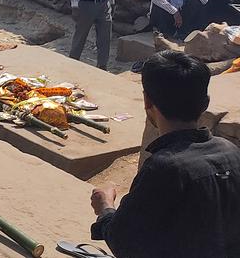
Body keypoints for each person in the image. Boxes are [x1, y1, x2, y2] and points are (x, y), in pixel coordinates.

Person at [89, 51, 240, 257]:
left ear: (147, 102)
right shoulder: (231, 152)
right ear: (205, 103)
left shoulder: (165, 168)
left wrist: (105, 206)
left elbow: (123, 241)